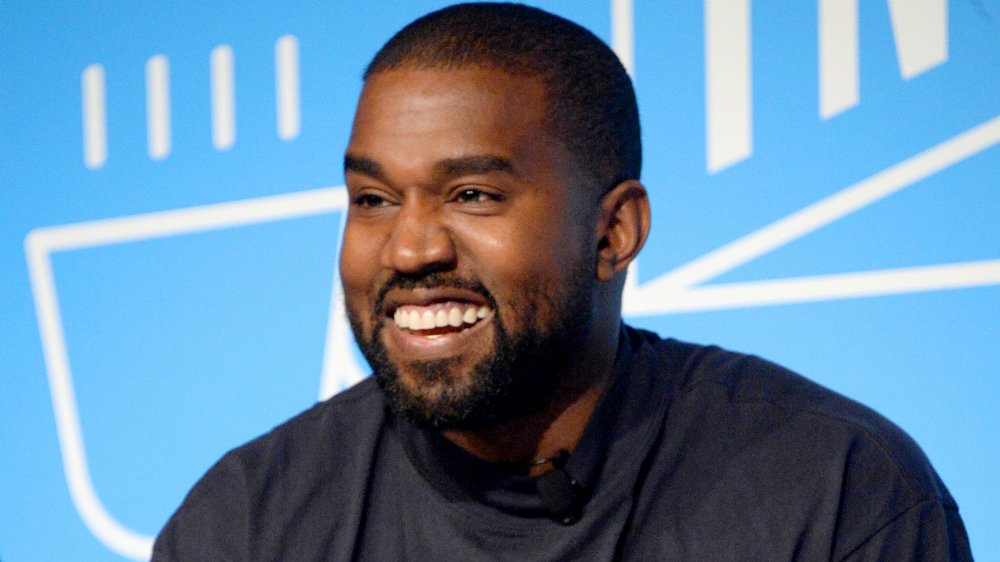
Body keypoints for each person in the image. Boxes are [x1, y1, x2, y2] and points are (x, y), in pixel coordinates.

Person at [153, 3, 972, 560]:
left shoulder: (836, 489)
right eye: (372, 200)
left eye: (471, 195)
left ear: (613, 232)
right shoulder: (248, 521)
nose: (407, 250)